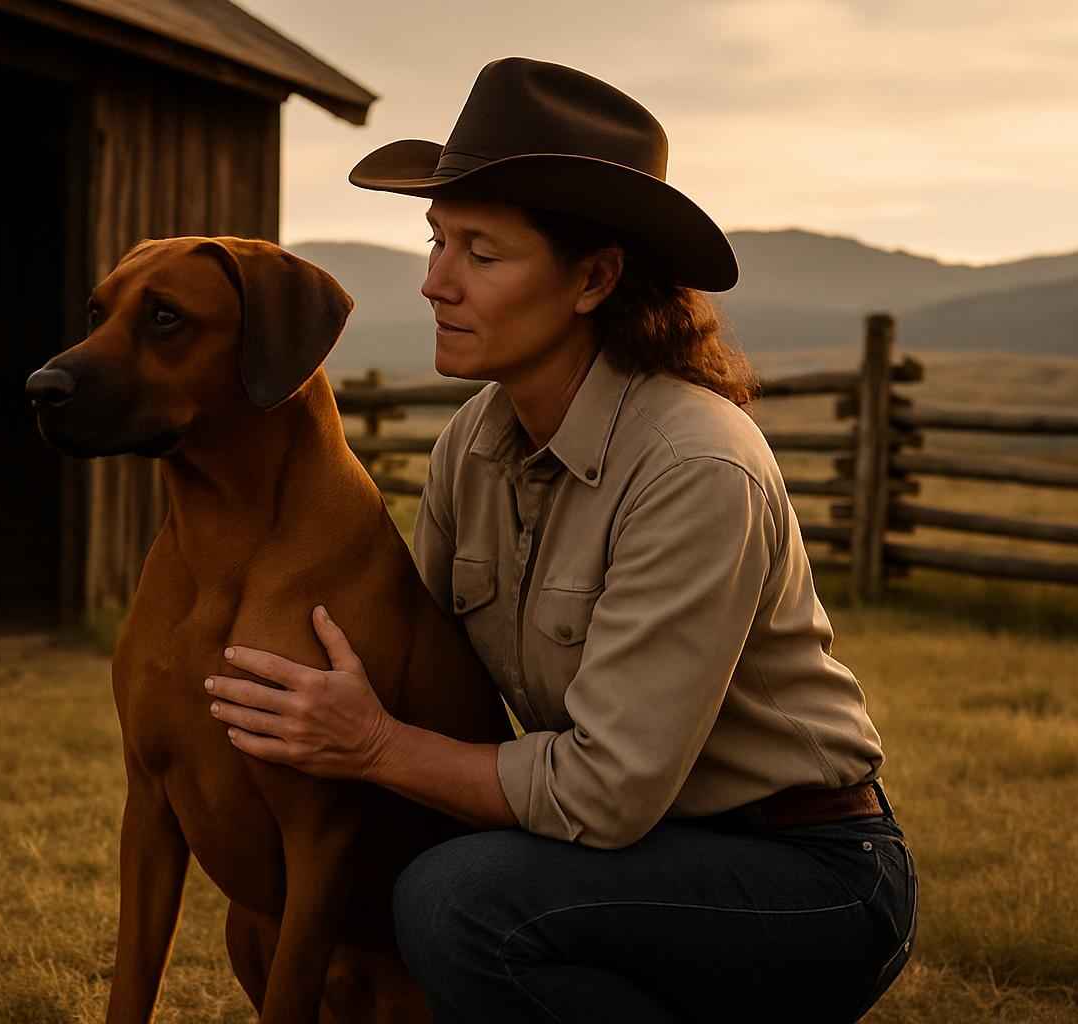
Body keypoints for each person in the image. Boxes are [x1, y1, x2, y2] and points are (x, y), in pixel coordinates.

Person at [202, 56, 917, 1022]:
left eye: (481, 254)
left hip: (803, 873)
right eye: (435, 241)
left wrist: (370, 744)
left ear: (593, 279)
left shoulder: (695, 467)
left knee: (461, 901)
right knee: (388, 881)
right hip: (616, 858)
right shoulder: (476, 443)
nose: (434, 283)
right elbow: (427, 671)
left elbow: (604, 793)